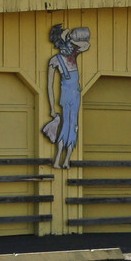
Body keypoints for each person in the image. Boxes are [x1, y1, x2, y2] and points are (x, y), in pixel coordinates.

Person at [42, 24, 92, 169]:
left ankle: (65, 160)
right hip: (67, 94)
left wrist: (72, 39)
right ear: (60, 39)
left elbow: (86, 44)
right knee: (67, 125)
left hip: (75, 93)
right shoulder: (55, 60)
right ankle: (58, 159)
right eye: (66, 34)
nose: (69, 36)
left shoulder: (73, 52)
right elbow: (49, 86)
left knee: (73, 125)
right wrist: (52, 108)